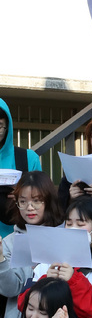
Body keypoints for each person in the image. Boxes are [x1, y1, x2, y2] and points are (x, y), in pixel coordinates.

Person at [24, 196, 92, 318]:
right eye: (69, 223)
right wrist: (46, 281)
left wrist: (74, 280)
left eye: (80, 223)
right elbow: (23, 304)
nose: (73, 229)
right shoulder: (48, 263)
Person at [0, 172, 63, 318]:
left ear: (48, 202)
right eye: (23, 202)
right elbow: (10, 289)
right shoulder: (9, 242)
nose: (29, 207)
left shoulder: (63, 235)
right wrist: (1, 259)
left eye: (36, 201)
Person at [0, 98, 41, 240]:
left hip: (22, 239)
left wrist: (23, 195)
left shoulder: (28, 158)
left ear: (8, 127)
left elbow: (44, 198)